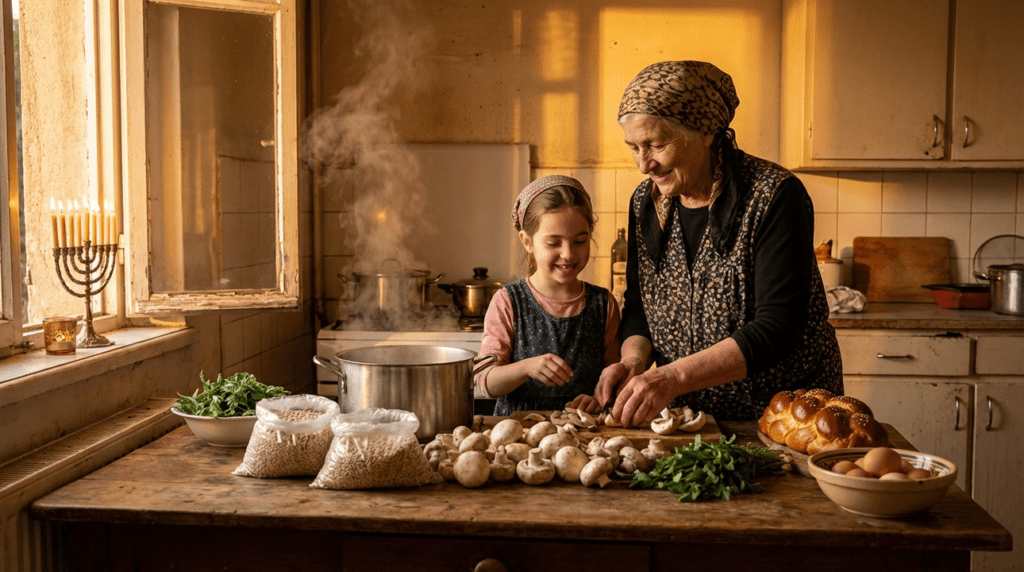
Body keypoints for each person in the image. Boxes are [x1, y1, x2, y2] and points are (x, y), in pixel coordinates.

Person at [594, 61, 842, 426]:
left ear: (707, 132)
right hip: (693, 421)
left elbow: (777, 328)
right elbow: (639, 307)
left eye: (656, 144)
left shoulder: (773, 195)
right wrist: (633, 362)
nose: (644, 164)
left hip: (784, 420)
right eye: (634, 147)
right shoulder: (646, 202)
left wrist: (672, 377)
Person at [475, 175, 621, 416]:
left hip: (587, 439)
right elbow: (485, 382)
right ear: (527, 242)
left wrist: (599, 398)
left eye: (580, 241)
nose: (568, 254)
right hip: (519, 437)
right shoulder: (508, 301)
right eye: (553, 243)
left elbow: (613, 377)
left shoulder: (603, 304)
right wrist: (525, 368)